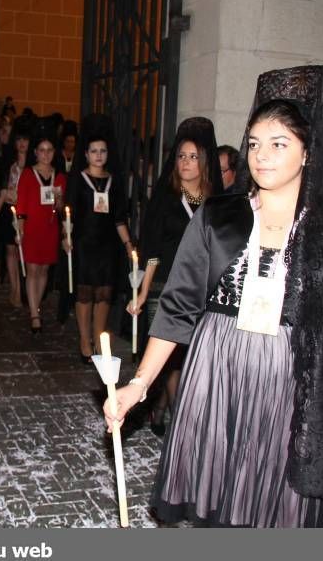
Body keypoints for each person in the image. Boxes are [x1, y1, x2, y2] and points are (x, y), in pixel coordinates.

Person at [105, 66, 323, 527]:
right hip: (219, 368)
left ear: (309, 153)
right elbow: (178, 306)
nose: (261, 156)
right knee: (220, 499)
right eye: (254, 143)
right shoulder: (218, 215)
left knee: (277, 505)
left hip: (289, 378)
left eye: (279, 144)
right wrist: (139, 384)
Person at [127, 117, 222, 434]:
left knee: (188, 356)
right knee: (168, 353)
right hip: (165, 286)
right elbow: (152, 249)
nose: (186, 162)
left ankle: (164, 406)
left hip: (202, 290)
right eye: (181, 156)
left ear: (204, 161)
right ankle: (180, 417)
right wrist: (142, 290)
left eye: (193, 156)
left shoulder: (214, 201)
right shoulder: (166, 199)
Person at [63, 114, 132, 363]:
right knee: (84, 294)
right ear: (86, 154)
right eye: (94, 151)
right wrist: (66, 236)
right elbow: (68, 213)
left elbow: (119, 218)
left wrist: (128, 245)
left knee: (104, 294)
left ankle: (97, 337)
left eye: (102, 151)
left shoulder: (113, 182)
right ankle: (84, 339)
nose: (99, 155)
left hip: (107, 247)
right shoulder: (79, 180)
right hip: (83, 244)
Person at [16, 126, 67, 333]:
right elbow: (22, 204)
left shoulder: (60, 176)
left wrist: (60, 202)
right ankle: (34, 314)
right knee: (32, 269)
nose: (46, 154)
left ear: (55, 153)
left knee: (45, 269)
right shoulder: (28, 174)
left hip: (50, 228)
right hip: (32, 228)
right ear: (35, 152)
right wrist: (20, 229)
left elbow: (62, 205)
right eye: (42, 150)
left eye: (50, 150)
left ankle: (36, 303)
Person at [0, 120, 31, 308]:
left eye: (26, 140)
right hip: (9, 209)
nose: (22, 143)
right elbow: (3, 188)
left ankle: (25, 288)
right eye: (19, 139)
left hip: (27, 212)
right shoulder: (9, 163)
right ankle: (15, 288)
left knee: (26, 251)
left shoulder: (34, 164)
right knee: (11, 249)